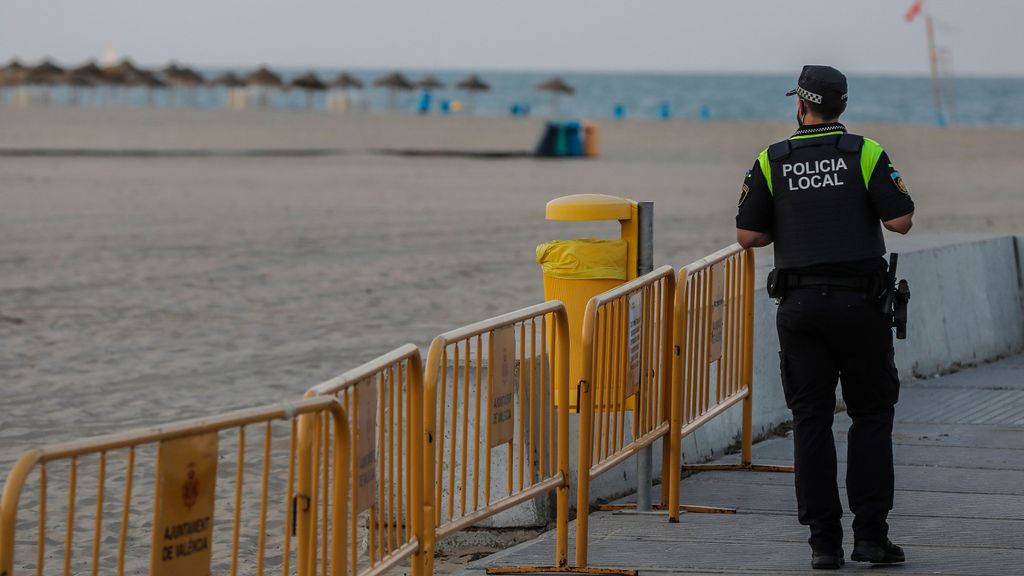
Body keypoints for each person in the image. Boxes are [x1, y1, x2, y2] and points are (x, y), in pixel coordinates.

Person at [735, 65, 915, 570]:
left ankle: (823, 544)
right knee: (871, 416)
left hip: (800, 307)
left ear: (801, 106)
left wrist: (789, 222)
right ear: (842, 107)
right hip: (861, 305)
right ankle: (872, 539)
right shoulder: (866, 152)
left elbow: (747, 236)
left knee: (810, 419)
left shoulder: (773, 159)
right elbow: (899, 221)